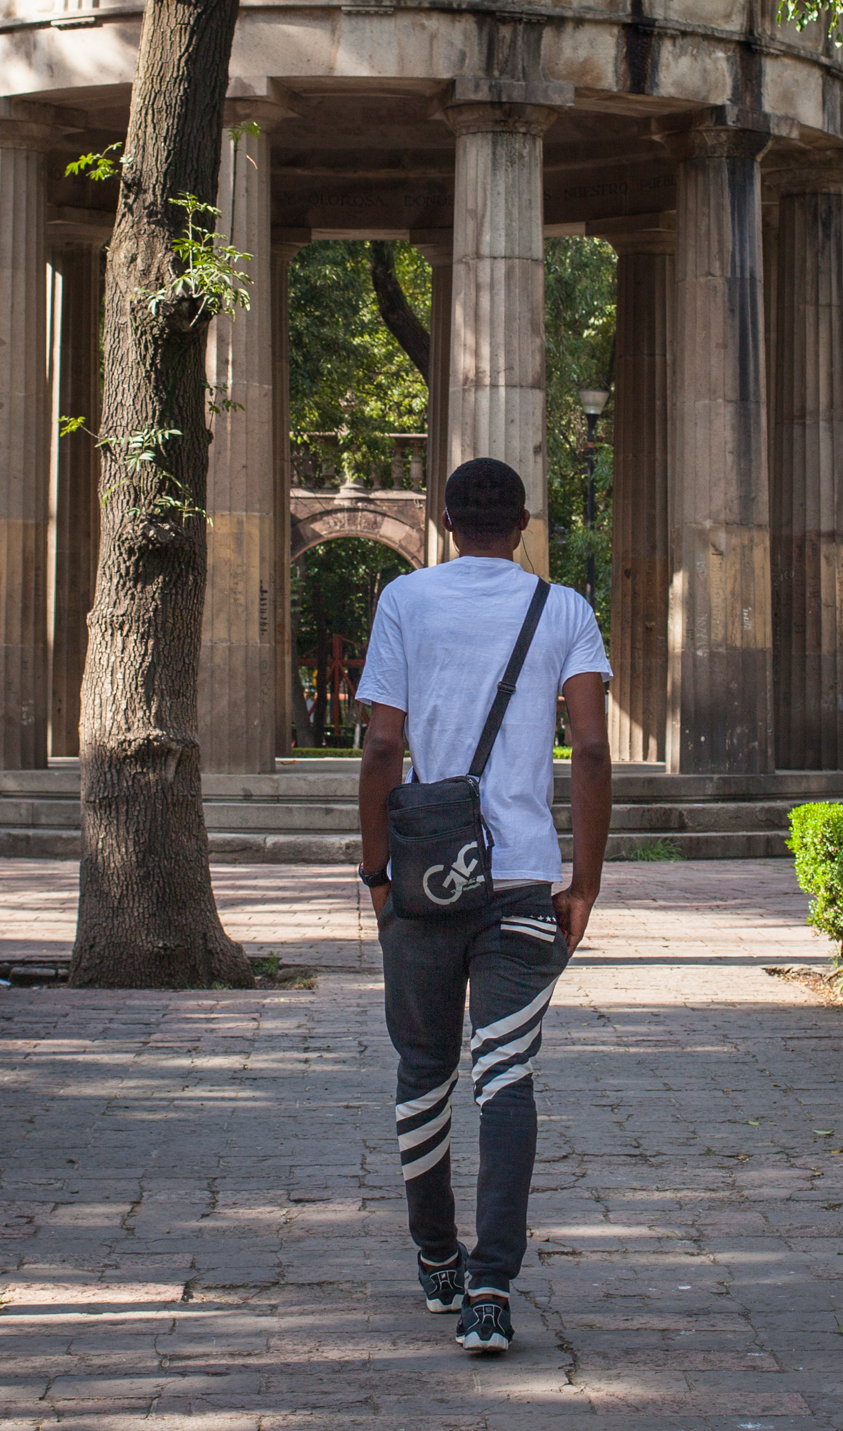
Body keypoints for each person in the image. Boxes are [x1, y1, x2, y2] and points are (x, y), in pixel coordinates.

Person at [354, 456, 612, 1356]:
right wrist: (585, 881)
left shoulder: (405, 603)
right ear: (526, 521)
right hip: (524, 883)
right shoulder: (564, 610)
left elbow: (384, 747)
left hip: (425, 880)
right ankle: (493, 1288)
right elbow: (589, 750)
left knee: (424, 1070)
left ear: (445, 518)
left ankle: (438, 1261)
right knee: (507, 1076)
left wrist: (376, 869)